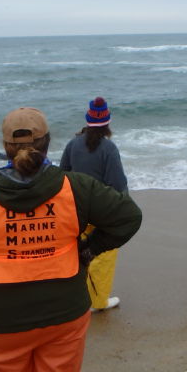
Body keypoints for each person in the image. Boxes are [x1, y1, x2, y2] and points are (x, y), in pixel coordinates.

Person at [0, 107, 142, 372]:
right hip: (64, 314)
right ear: (48, 142)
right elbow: (128, 216)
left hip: (1, 319)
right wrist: (89, 247)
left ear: (5, 146)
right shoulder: (75, 188)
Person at [59, 96, 128, 310]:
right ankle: (97, 301)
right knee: (103, 254)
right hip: (101, 212)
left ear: (88, 119)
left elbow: (62, 176)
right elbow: (117, 185)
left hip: (75, 211)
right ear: (107, 122)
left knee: (76, 253)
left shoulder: (72, 144)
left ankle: (73, 297)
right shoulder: (109, 149)